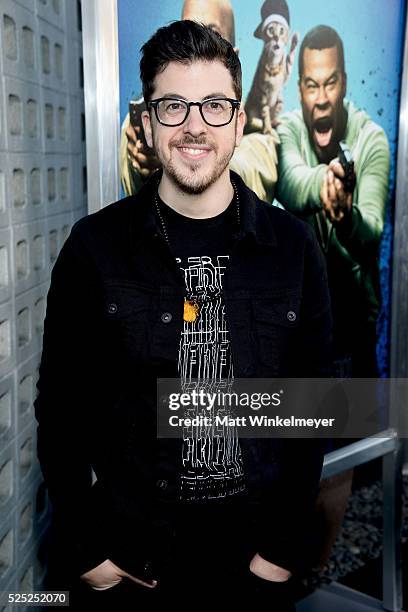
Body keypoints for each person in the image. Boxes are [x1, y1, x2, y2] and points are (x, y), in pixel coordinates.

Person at [34, 21, 332, 609]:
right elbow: (60, 408)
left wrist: (276, 559)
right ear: (147, 121)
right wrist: (89, 553)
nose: (195, 125)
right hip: (128, 564)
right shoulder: (94, 248)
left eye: (215, 105)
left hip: (253, 566)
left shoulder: (294, 249)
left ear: (238, 121)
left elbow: (311, 408)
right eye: (173, 105)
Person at [276, 24, 390, 567]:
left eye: (331, 84)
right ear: (299, 87)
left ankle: (317, 569)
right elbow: (289, 181)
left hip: (350, 322)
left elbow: (372, 230)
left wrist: (343, 218)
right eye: (311, 85)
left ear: (344, 82)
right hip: (301, 327)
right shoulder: (290, 129)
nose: (321, 99)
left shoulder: (372, 141)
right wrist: (322, 187)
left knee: (342, 458)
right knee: (296, 452)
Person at [120, 0, 279, 203]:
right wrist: (144, 161)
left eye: (212, 35)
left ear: (234, 57)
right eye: (188, 32)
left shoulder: (259, 133)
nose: (196, 43)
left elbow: (255, 168)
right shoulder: (147, 122)